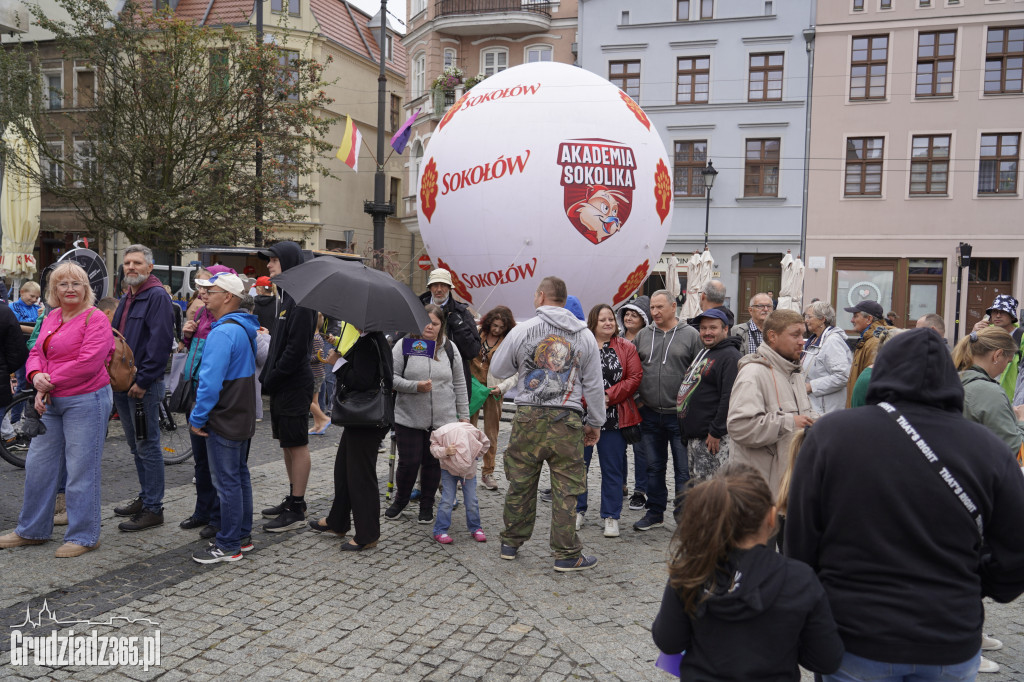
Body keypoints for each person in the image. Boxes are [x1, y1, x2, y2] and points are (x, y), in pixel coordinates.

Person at [785, 328, 1024, 681]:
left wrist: (809, 612)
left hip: (854, 634)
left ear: (883, 370)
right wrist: (978, 583)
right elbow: (1016, 549)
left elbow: (800, 538)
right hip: (948, 635)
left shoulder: (832, 435)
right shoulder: (987, 448)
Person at [652, 463, 844, 681]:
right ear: (771, 518)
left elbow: (669, 640)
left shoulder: (690, 570)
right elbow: (826, 658)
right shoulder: (800, 579)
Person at [490, 276, 605, 571]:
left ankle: (510, 542)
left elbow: (498, 368)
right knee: (566, 488)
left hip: (529, 414)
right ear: (564, 300)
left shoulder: (524, 330)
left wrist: (525, 364)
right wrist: (595, 422)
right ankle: (566, 554)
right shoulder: (585, 335)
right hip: (567, 418)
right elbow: (593, 385)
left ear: (541, 296)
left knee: (521, 480)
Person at [0, 262, 113, 557]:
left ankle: (84, 535)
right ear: (54, 290)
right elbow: (36, 350)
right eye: (63, 284)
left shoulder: (96, 318)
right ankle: (32, 530)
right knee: (39, 466)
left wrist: (45, 383)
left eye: (76, 283)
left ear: (86, 288)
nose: (70, 289)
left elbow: (89, 362)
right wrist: (36, 375)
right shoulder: (51, 316)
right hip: (50, 400)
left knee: (80, 469)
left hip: (86, 399)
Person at [188, 273, 259, 564]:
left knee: (227, 481)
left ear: (227, 296)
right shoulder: (242, 327)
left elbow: (210, 383)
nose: (205, 295)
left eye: (211, 291)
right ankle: (241, 535)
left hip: (225, 415)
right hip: (241, 413)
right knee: (239, 477)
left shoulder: (221, 332)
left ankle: (229, 543)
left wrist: (197, 417)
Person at [307, 330, 393, 551]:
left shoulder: (368, 341)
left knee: (360, 476)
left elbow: (362, 380)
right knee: (344, 469)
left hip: (366, 417)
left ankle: (368, 534)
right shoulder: (370, 339)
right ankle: (338, 521)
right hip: (361, 419)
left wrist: (338, 363)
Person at [386, 304, 470, 525]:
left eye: (434, 323)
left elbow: (460, 383)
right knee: (409, 463)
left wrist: (464, 416)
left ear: (441, 325)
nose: (429, 327)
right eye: (425, 321)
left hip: (443, 419)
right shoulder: (404, 345)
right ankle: (400, 501)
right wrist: (415, 386)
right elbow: (390, 378)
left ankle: (426, 505)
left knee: (433, 464)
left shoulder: (450, 348)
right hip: (409, 418)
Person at [111, 244, 175, 532]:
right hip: (122, 384)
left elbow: (160, 343)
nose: (131, 267)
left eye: (137, 262)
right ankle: (146, 496)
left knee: (147, 446)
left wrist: (143, 380)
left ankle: (153, 508)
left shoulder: (157, 296)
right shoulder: (129, 296)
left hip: (142, 387)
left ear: (150, 267)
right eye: (127, 263)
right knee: (136, 446)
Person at [727, 309, 817, 501]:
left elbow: (804, 414)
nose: (802, 341)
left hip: (786, 488)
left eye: (803, 335)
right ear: (772, 336)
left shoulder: (795, 373)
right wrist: (790, 422)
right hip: (758, 494)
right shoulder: (753, 374)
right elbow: (739, 426)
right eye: (795, 335)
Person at [258, 241, 316, 532]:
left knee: (297, 444)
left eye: (274, 260)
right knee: (286, 444)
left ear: (289, 262)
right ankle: (294, 497)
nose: (268, 265)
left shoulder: (302, 300)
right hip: (283, 383)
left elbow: (296, 350)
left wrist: (273, 376)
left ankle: (297, 507)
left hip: (293, 383)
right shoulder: (286, 297)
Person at [632, 290, 701, 532]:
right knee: (653, 466)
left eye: (660, 307)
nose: (655, 312)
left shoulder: (691, 335)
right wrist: (639, 399)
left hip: (680, 416)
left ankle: (683, 516)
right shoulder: (642, 335)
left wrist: (689, 405)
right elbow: (633, 370)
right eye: (652, 307)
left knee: (683, 469)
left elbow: (700, 373)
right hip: (649, 412)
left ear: (674, 307)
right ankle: (655, 512)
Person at [576, 304, 642, 539]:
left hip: (614, 416)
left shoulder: (626, 347)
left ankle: (611, 516)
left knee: (612, 469)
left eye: (611, 319)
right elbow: (573, 378)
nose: (608, 323)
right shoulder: (581, 345)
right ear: (593, 322)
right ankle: (577, 510)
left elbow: (635, 377)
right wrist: (590, 400)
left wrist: (607, 396)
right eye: (602, 319)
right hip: (582, 415)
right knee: (578, 466)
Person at [676, 308, 741, 483]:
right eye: (703, 328)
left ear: (725, 329)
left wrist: (716, 431)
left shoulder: (730, 356)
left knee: (711, 491)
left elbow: (729, 396)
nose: (707, 332)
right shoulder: (706, 351)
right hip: (696, 437)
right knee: (697, 487)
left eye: (713, 328)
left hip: (711, 439)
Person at [955, 327, 1024, 458]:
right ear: (997, 355)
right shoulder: (988, 392)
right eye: (1008, 362)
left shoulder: (953, 377)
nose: (1004, 369)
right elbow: (1015, 450)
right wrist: (1021, 420)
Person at [471, 306, 516, 491]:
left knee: (491, 433)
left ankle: (487, 472)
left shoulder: (509, 342)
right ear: (489, 322)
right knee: (467, 429)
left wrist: (503, 387)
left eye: (501, 327)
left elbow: (517, 371)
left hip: (494, 389)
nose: (496, 330)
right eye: (494, 325)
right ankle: (464, 469)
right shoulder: (476, 333)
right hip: (473, 386)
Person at [419, 268, 481, 393]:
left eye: (443, 285)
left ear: (450, 288)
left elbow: (472, 351)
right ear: (430, 287)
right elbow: (404, 343)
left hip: (451, 380)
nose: (439, 289)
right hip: (420, 375)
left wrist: (458, 325)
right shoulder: (417, 307)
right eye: (435, 285)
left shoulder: (462, 313)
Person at [617, 295, 651, 511]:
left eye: (634, 314)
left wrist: (642, 398)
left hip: (641, 402)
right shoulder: (617, 338)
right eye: (627, 314)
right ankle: (620, 484)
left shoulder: (649, 339)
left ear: (643, 318)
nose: (629, 317)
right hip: (619, 400)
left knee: (641, 448)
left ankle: (641, 490)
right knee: (617, 447)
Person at [801, 301, 852, 414]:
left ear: (822, 319)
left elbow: (842, 376)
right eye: (805, 316)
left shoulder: (832, 341)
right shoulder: (814, 340)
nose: (806, 320)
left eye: (809, 317)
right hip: (816, 408)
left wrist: (811, 386)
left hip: (827, 411)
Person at [971, 295, 1022, 403]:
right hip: (984, 393)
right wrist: (973, 334)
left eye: (1002, 312)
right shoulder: (984, 332)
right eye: (994, 312)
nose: (998, 316)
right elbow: (968, 355)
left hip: (1010, 398)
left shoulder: (1021, 336)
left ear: (1012, 316)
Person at [843, 300, 888, 408]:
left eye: (855, 316)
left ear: (869, 319)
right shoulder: (867, 340)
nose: (852, 320)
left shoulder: (875, 343)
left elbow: (871, 384)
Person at [308, 317, 331, 436]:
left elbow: (319, 356)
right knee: (314, 401)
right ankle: (318, 425)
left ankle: (324, 419)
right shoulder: (317, 337)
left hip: (315, 373)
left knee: (307, 400)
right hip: (317, 373)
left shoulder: (315, 338)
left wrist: (306, 358)